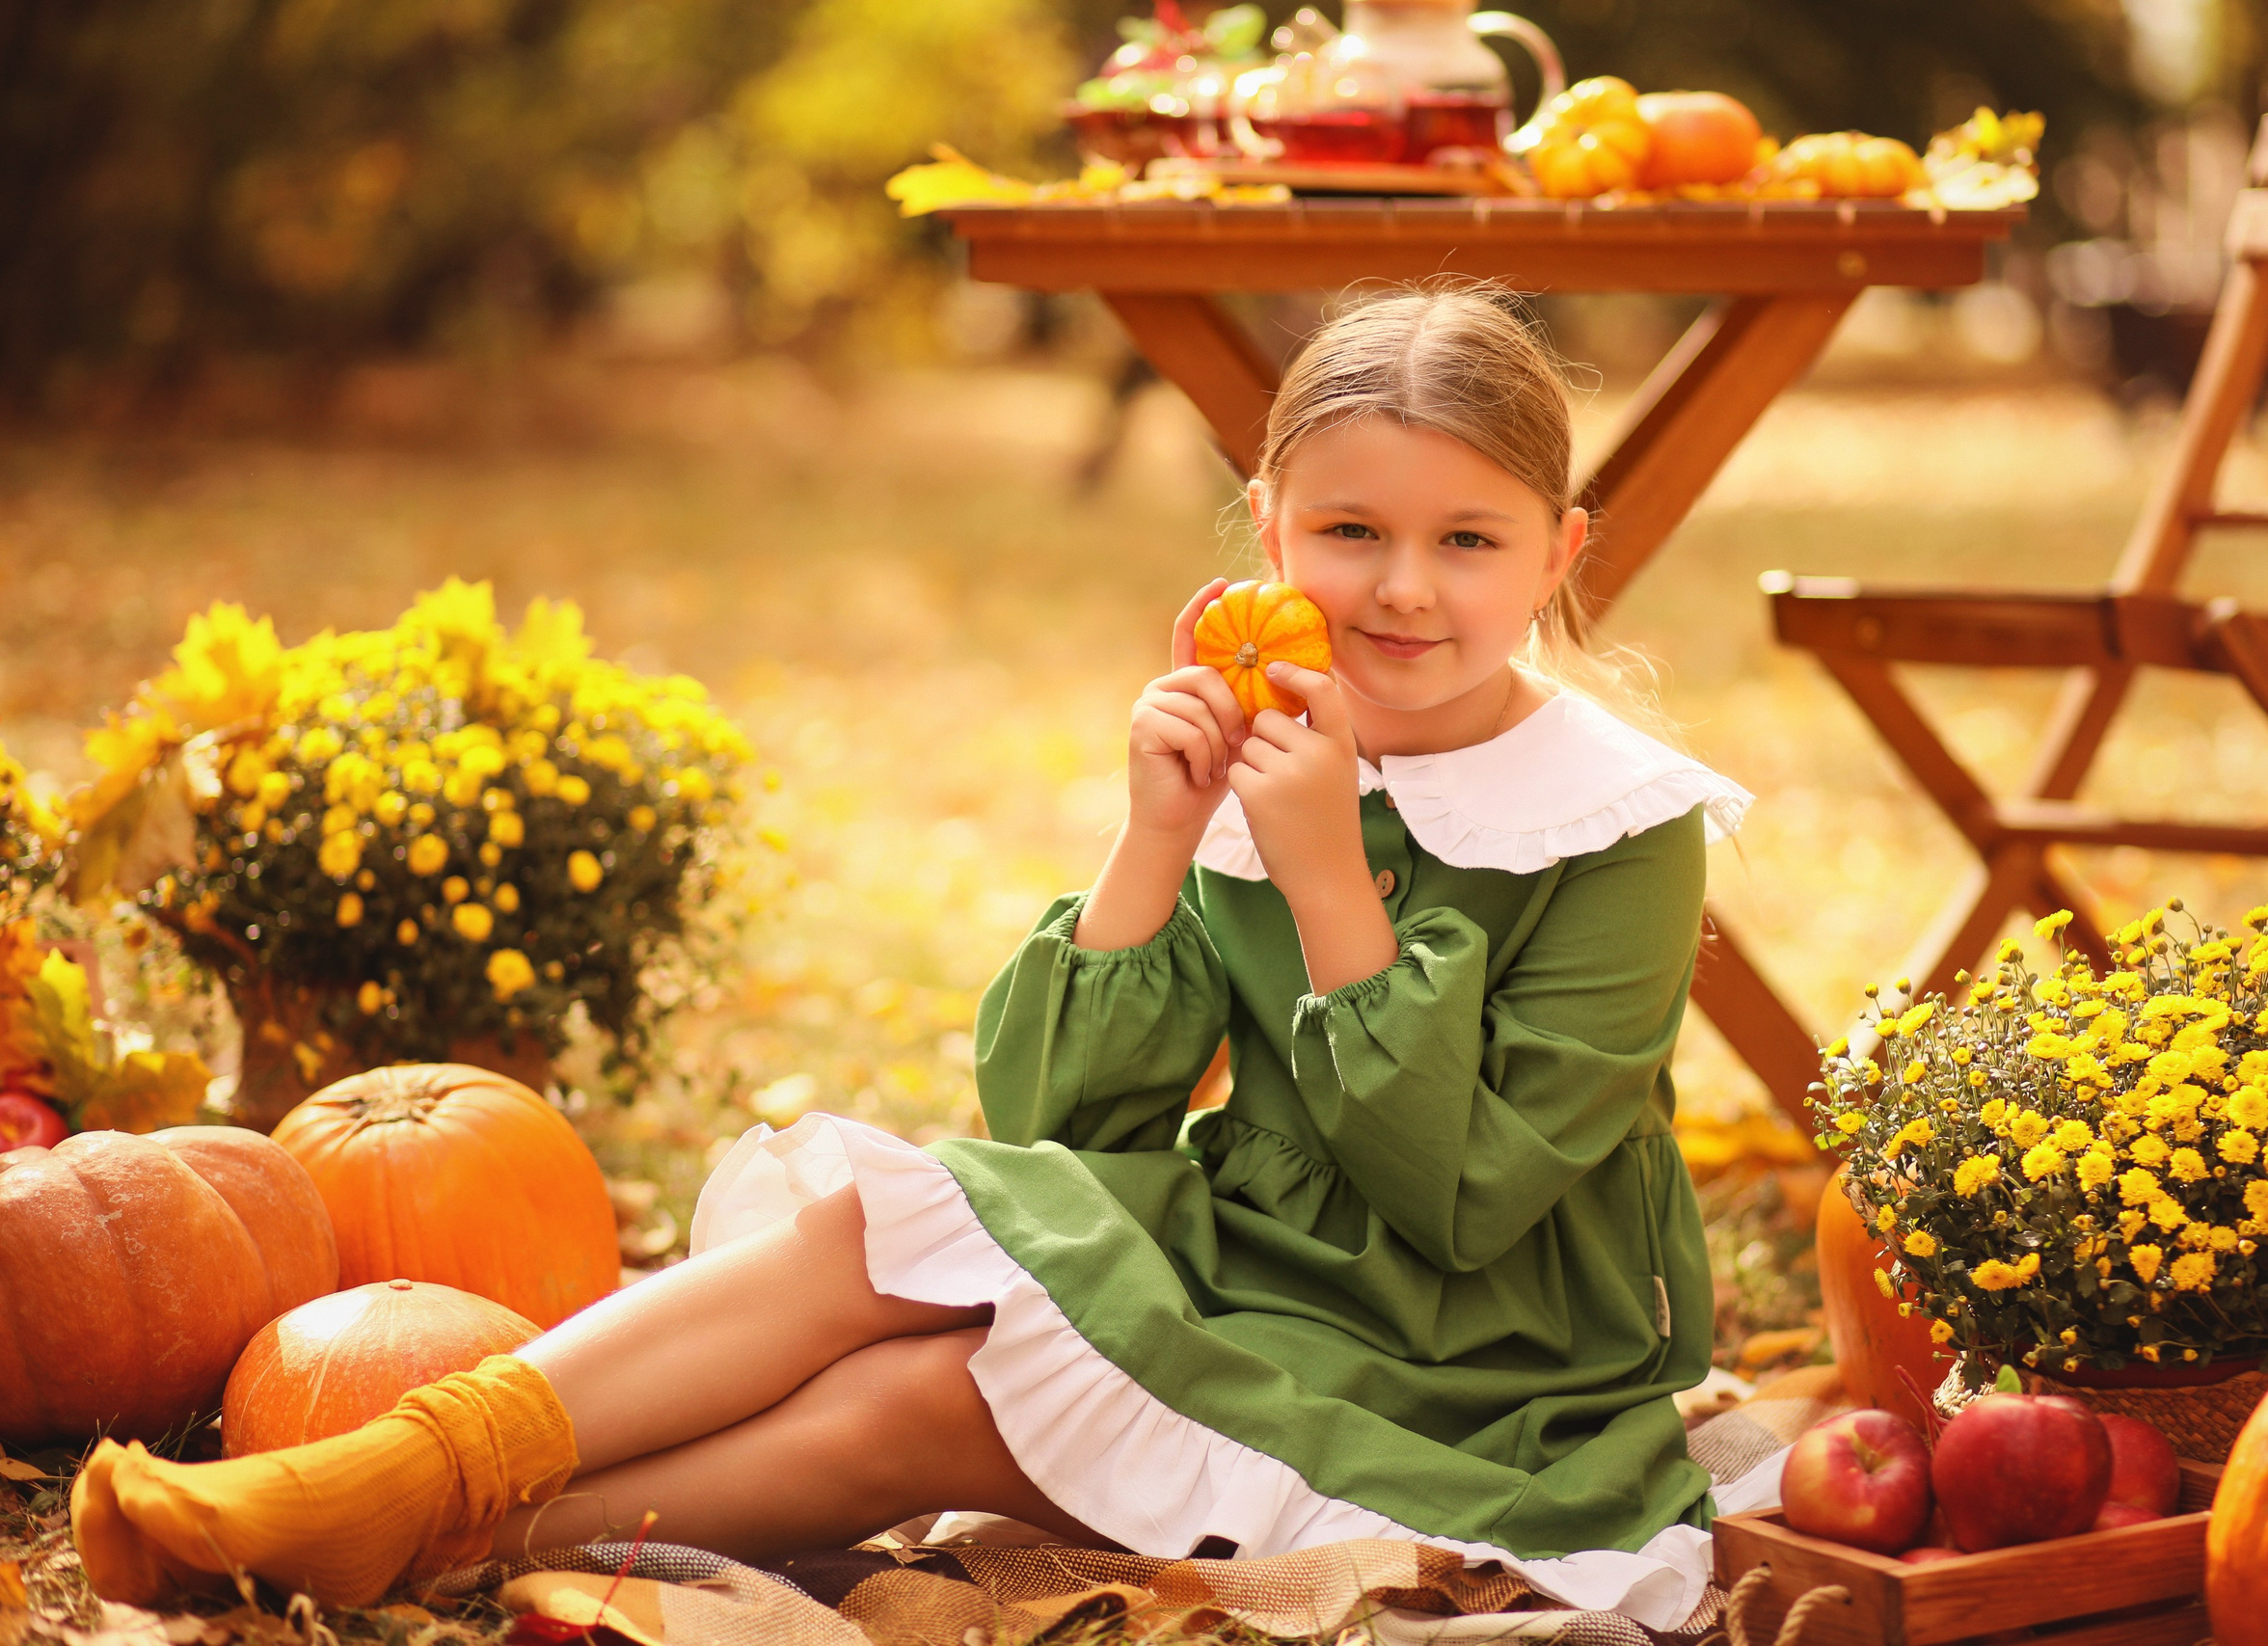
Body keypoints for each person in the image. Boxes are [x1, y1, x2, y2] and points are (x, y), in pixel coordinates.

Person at [72, 284, 1760, 1630]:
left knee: (932, 1404)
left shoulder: (1615, 825)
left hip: (1474, 1358)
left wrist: (1330, 882)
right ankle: (398, 1475)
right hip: (1253, 1255)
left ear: (1562, 551)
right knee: (870, 1234)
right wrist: (1158, 839)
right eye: (1349, 534)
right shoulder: (1266, 737)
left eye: (1469, 539)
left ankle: (408, 1539)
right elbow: (1062, 1127)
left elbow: (1460, 1202)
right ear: (1265, 522)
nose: (1402, 591)